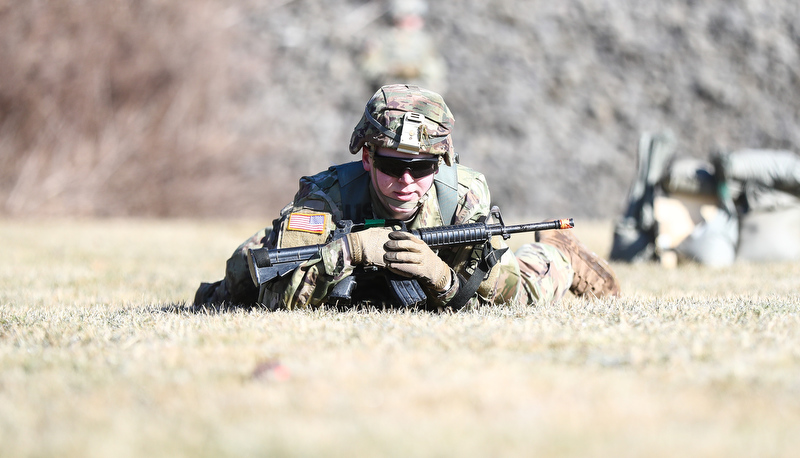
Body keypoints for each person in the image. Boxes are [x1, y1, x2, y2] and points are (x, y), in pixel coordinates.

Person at [194, 84, 619, 310]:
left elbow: (493, 293)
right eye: (393, 167)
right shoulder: (328, 197)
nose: (407, 182)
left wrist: (441, 277)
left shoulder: (462, 197)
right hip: (328, 248)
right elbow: (277, 301)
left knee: (529, 290)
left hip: (469, 265)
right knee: (242, 278)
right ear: (367, 157)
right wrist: (351, 249)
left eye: (423, 169)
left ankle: (560, 252)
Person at [611, 131, 800, 267]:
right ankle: (645, 189)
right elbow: (783, 167)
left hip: (730, 238)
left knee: (712, 256)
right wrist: (733, 168)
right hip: (729, 197)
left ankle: (648, 236)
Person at [359, 0, 448, 96]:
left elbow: (436, 70)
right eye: (408, 16)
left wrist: (417, 70)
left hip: (421, 95)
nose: (413, 20)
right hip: (389, 94)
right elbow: (370, 68)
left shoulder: (425, 41)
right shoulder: (382, 39)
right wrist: (394, 70)